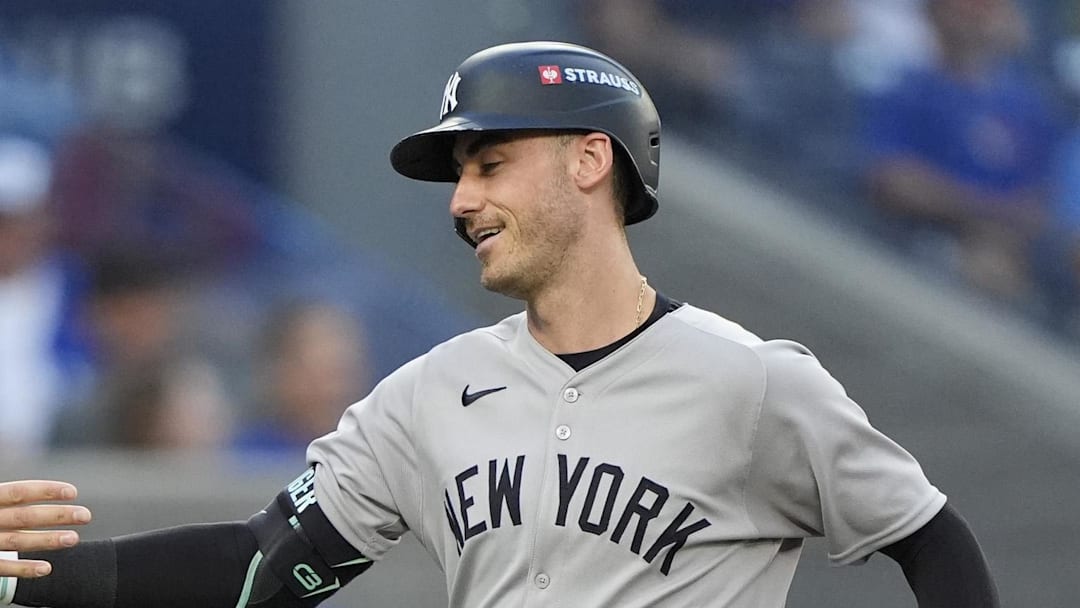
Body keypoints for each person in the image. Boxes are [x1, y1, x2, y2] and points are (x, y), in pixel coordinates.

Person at [1, 41, 998, 607]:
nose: (460, 199)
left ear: (588, 159)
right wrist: (23, 580)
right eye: (460, 174)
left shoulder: (753, 380)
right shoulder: (428, 394)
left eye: (487, 163)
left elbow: (934, 541)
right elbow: (256, 566)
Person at [861, 0, 1063, 303]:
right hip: (910, 243)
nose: (972, 20)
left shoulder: (1030, 111)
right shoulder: (910, 87)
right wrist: (984, 213)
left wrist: (989, 224)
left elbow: (1038, 210)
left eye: (985, 9)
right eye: (962, 9)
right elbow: (894, 181)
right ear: (936, 14)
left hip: (1003, 259)